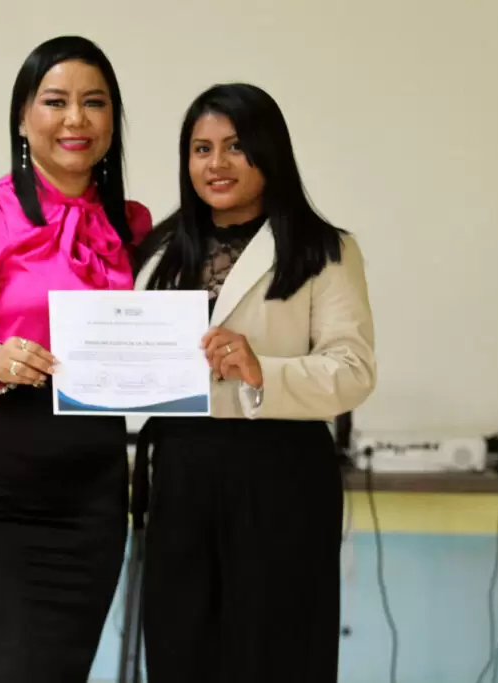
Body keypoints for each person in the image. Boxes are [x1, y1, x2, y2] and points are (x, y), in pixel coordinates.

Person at [0, 36, 152, 683]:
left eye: (94, 103)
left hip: (89, 495)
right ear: (23, 116)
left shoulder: (134, 229)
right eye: (56, 101)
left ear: (112, 121)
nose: (76, 119)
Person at [133, 83, 377, 682]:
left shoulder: (326, 248)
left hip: (281, 471)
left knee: (277, 649)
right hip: (181, 469)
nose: (216, 164)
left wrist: (262, 367)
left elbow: (353, 371)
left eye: (235, 146)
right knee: (180, 645)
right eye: (200, 148)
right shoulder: (158, 249)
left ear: (269, 151)